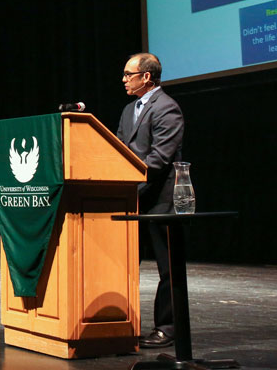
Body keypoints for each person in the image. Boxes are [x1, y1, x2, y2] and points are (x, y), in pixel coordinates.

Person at [116, 53, 184, 348]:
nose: (124, 80)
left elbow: (159, 159)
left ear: (146, 76)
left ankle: (169, 327)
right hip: (133, 197)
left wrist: (133, 186)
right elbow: (118, 148)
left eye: (128, 74)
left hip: (160, 200)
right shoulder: (129, 109)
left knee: (167, 267)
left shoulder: (167, 108)